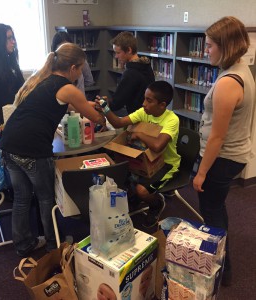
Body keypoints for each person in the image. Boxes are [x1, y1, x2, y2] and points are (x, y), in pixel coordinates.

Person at [0, 43, 106, 257]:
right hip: (32, 149)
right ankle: (52, 244)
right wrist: (103, 112)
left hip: (9, 145)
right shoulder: (67, 88)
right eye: (81, 69)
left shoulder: (41, 80)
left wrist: (85, 105)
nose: (80, 74)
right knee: (46, 198)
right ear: (74, 67)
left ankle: (23, 244)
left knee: (22, 197)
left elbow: (71, 105)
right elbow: (95, 118)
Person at [193, 16, 255, 287]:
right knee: (217, 207)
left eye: (209, 46)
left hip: (222, 158)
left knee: (211, 212)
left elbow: (217, 136)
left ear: (225, 46)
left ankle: (221, 269)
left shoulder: (229, 81)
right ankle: (222, 263)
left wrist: (201, 173)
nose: (207, 51)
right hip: (231, 155)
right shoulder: (240, 69)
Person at [97, 81, 180, 228]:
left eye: (149, 100)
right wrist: (105, 108)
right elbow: (118, 123)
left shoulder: (172, 119)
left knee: (142, 190)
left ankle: (156, 204)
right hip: (144, 162)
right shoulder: (144, 112)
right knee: (118, 175)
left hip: (166, 165)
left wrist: (139, 134)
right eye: (144, 99)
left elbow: (157, 145)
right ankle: (136, 195)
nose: (143, 104)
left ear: (162, 104)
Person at [107, 31, 155, 116]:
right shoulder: (146, 66)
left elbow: (116, 103)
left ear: (129, 50)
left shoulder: (130, 73)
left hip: (137, 118)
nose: (116, 56)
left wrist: (103, 104)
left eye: (118, 52)